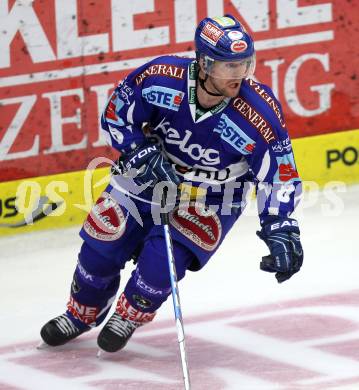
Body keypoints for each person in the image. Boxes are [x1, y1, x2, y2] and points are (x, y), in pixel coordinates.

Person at [40, 14, 303, 353]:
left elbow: (280, 175)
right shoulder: (161, 78)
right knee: (100, 248)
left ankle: (128, 314)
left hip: (213, 197)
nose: (240, 75)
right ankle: (83, 312)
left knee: (162, 265)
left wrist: (281, 227)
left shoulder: (260, 113)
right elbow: (116, 114)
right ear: (205, 64)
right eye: (229, 66)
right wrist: (137, 150)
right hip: (145, 179)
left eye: (245, 65)